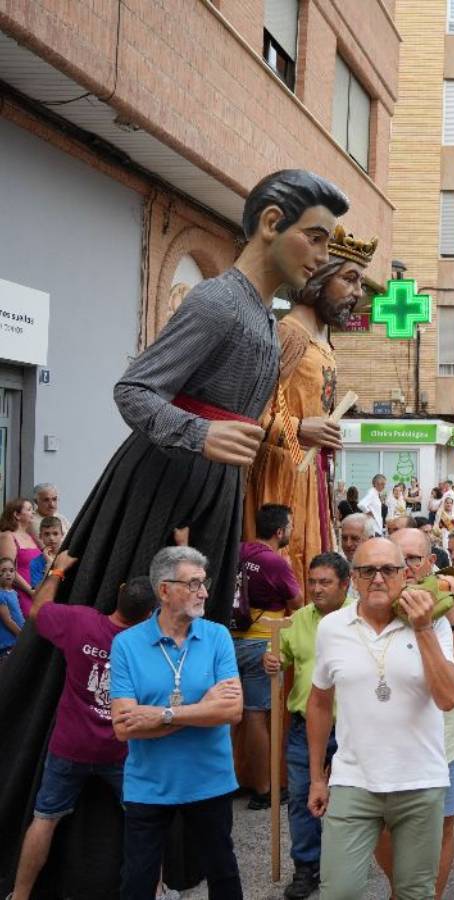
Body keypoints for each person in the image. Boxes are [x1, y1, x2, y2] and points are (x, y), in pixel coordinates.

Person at [0, 169, 347, 892]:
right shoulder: (222, 303)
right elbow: (134, 389)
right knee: (127, 637)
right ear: (271, 222)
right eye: (315, 236)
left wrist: (293, 429)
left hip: (212, 492)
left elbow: (236, 411)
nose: (322, 255)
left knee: (188, 648)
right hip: (163, 487)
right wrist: (200, 434)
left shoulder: (263, 316)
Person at [305, 538, 454, 900]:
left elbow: (449, 697)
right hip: (353, 780)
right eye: (367, 570)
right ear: (353, 579)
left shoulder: (432, 621)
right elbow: (319, 702)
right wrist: (316, 778)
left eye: (388, 570)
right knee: (338, 892)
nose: (377, 578)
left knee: (414, 892)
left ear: (405, 575)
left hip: (419, 781)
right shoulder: (333, 627)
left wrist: (422, 628)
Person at [9, 558, 156, 900]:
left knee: (44, 819)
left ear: (119, 593)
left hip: (70, 747)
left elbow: (37, 611)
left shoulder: (79, 621)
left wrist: (58, 570)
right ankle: (156, 890)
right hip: (120, 751)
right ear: (150, 615)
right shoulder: (148, 647)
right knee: (147, 822)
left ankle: (19, 895)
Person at [110, 546, 246, 900]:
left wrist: (163, 715)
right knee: (137, 882)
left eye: (204, 583)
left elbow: (231, 712)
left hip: (209, 780)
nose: (204, 592)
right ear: (164, 590)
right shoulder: (126, 644)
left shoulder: (216, 636)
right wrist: (203, 710)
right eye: (194, 584)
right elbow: (124, 727)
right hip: (149, 784)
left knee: (223, 874)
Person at [244, 225, 375, 587]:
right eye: (350, 280)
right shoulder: (289, 334)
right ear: (320, 275)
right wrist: (300, 429)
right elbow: (253, 412)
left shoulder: (321, 339)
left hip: (310, 472)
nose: (358, 293)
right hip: (280, 473)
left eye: (360, 283)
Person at [391, 527, 454, 899]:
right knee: (386, 829)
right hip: (390, 743)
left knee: (441, 828)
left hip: (447, 740)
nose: (407, 568)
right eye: (399, 560)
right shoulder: (371, 600)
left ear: (430, 562)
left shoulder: (452, 599)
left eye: (414, 559)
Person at [261, 552, 350, 899]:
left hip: (350, 728)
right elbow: (279, 655)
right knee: (300, 799)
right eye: (312, 581)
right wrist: (271, 660)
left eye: (325, 582)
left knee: (348, 801)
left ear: (344, 584)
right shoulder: (297, 620)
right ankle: (306, 868)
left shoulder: (360, 618)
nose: (316, 588)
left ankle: (342, 866)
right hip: (304, 727)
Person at [232, 503, 302, 809]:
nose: (291, 530)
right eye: (290, 526)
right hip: (260, 642)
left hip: (226, 639)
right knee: (256, 715)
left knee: (226, 715)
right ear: (279, 531)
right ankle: (262, 789)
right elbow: (297, 601)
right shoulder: (276, 563)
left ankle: (232, 778)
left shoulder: (236, 550)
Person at [0, 498, 41, 614]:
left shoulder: (30, 536)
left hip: (37, 595)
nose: (33, 512)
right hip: (22, 595)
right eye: (29, 509)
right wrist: (31, 591)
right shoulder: (7, 536)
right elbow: (8, 570)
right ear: (17, 515)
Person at [28, 516, 65, 589]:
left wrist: (51, 571)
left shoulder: (68, 557)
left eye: (55, 533)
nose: (51, 538)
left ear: (62, 534)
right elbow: (37, 591)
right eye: (47, 534)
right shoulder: (35, 563)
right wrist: (49, 564)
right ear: (40, 536)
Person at [0, 558, 24, 659]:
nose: (8, 574)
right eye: (3, 571)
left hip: (17, 641)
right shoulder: (0, 595)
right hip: (8, 643)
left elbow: (18, 615)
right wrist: (22, 635)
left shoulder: (14, 593)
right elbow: (8, 621)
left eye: (11, 570)